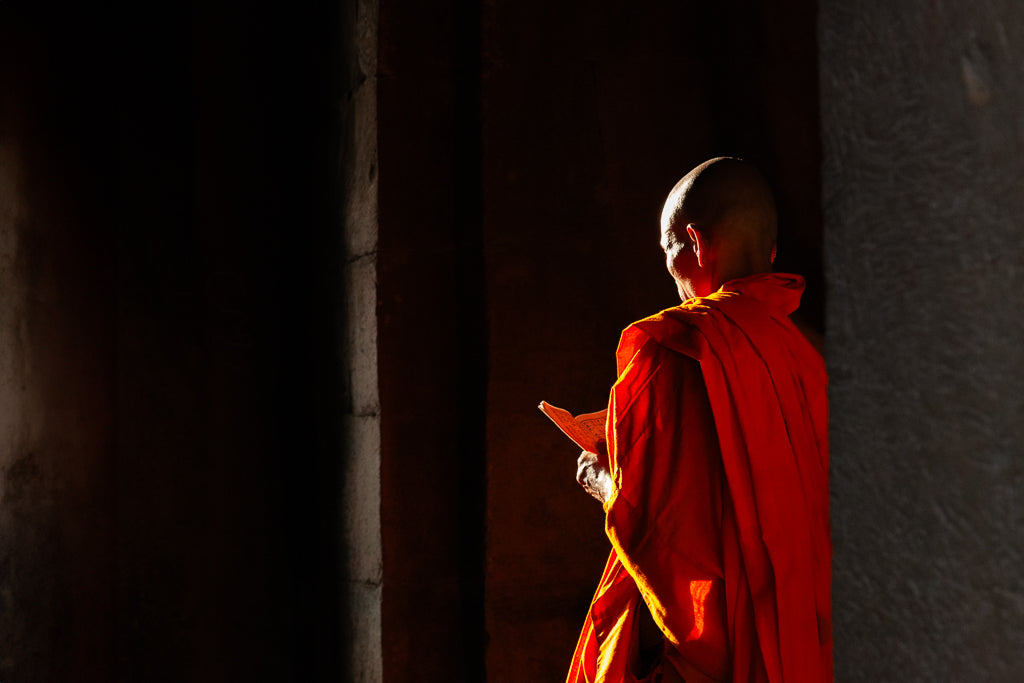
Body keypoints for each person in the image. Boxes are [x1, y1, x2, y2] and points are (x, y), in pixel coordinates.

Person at [568, 158, 832, 683]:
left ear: (694, 241)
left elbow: (662, 536)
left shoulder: (677, 349)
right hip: (815, 643)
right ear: (771, 252)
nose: (673, 277)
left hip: (727, 655)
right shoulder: (811, 352)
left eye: (670, 252)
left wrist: (603, 480)